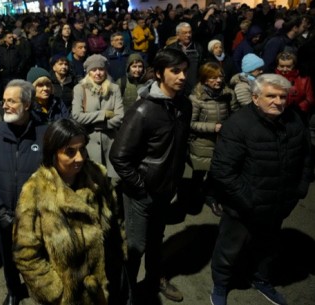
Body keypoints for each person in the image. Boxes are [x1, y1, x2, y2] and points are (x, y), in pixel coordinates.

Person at [209, 74, 311, 305]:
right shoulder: (238, 124)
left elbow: (306, 158)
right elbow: (223, 171)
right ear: (255, 98)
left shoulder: (295, 120)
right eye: (271, 96)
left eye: (282, 96)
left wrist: (299, 190)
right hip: (243, 208)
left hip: (278, 204)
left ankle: (261, 279)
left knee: (267, 248)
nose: (278, 101)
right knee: (229, 251)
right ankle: (220, 286)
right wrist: (249, 201)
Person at [109, 48, 192, 304]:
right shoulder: (142, 111)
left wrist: (173, 183)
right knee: (135, 248)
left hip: (165, 191)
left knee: (157, 241)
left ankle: (155, 279)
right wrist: (140, 189)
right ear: (158, 74)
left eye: (185, 71)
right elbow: (118, 156)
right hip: (140, 195)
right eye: (175, 71)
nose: (182, 76)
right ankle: (127, 293)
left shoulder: (184, 104)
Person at [12, 118, 125, 305]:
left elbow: (116, 221)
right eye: (70, 152)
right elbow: (25, 254)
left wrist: (119, 261)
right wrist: (56, 293)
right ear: (53, 153)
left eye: (82, 149)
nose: (79, 158)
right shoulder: (35, 192)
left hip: (106, 287)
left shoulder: (98, 175)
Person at [0, 79, 48, 305]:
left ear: (27, 104)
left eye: (11, 101)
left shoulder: (45, 133)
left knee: (39, 257)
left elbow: (54, 176)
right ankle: (14, 291)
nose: (5, 105)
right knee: (8, 258)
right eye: (4, 101)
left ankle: (42, 290)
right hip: (3, 215)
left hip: (37, 216)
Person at [188, 62, 239, 217]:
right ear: (204, 79)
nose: (218, 80)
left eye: (220, 77)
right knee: (199, 172)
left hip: (223, 142)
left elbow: (236, 114)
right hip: (202, 143)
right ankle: (193, 197)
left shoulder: (229, 94)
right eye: (212, 78)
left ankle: (211, 198)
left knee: (215, 173)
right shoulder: (196, 98)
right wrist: (213, 127)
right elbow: (191, 123)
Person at [72, 54, 124, 179]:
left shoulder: (114, 89)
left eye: (101, 69)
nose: (98, 73)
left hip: (111, 143)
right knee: (91, 181)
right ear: (88, 72)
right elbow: (77, 116)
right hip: (88, 144)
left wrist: (96, 124)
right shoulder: (80, 89)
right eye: (94, 70)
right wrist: (103, 114)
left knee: (113, 183)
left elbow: (120, 117)